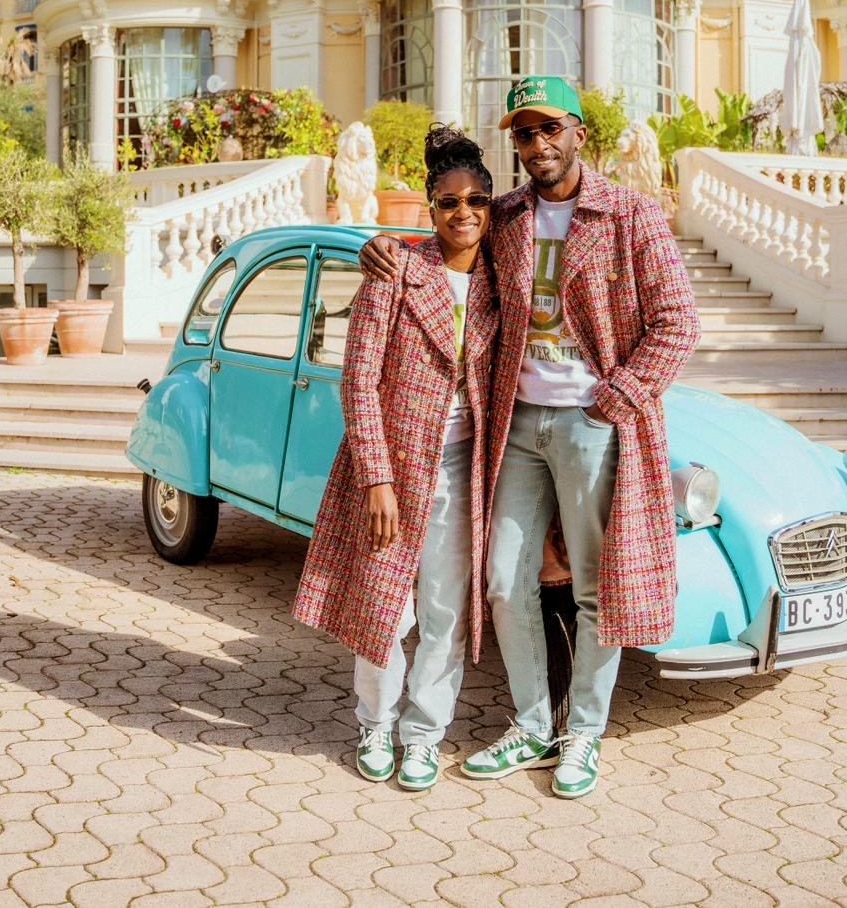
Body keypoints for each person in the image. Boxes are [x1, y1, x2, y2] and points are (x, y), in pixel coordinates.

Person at [361, 76, 700, 799]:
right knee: (504, 581)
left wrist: (614, 400)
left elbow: (678, 323)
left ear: (580, 132)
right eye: (525, 133)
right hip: (515, 423)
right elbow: (446, 252)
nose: (539, 145)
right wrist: (382, 248)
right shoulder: (506, 213)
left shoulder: (631, 215)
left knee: (596, 591)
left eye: (551, 129)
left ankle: (582, 735)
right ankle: (530, 723)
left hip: (593, 426)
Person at [292, 126, 499, 791]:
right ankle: (374, 723)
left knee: (446, 614)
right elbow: (357, 379)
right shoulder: (399, 269)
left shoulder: (504, 283)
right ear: (431, 210)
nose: (463, 213)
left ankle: (424, 734)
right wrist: (376, 477)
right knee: (386, 608)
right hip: (394, 467)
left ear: (492, 207)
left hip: (465, 472)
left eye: (476, 201)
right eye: (448, 202)